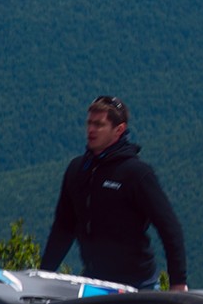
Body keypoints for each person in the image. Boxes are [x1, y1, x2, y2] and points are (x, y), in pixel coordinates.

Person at [39, 96, 188, 291]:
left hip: (137, 286)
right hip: (94, 282)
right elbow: (63, 228)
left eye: (99, 125)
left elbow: (170, 229)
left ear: (119, 129)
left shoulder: (136, 174)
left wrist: (178, 282)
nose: (91, 130)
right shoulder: (77, 170)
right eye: (89, 123)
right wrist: (43, 275)